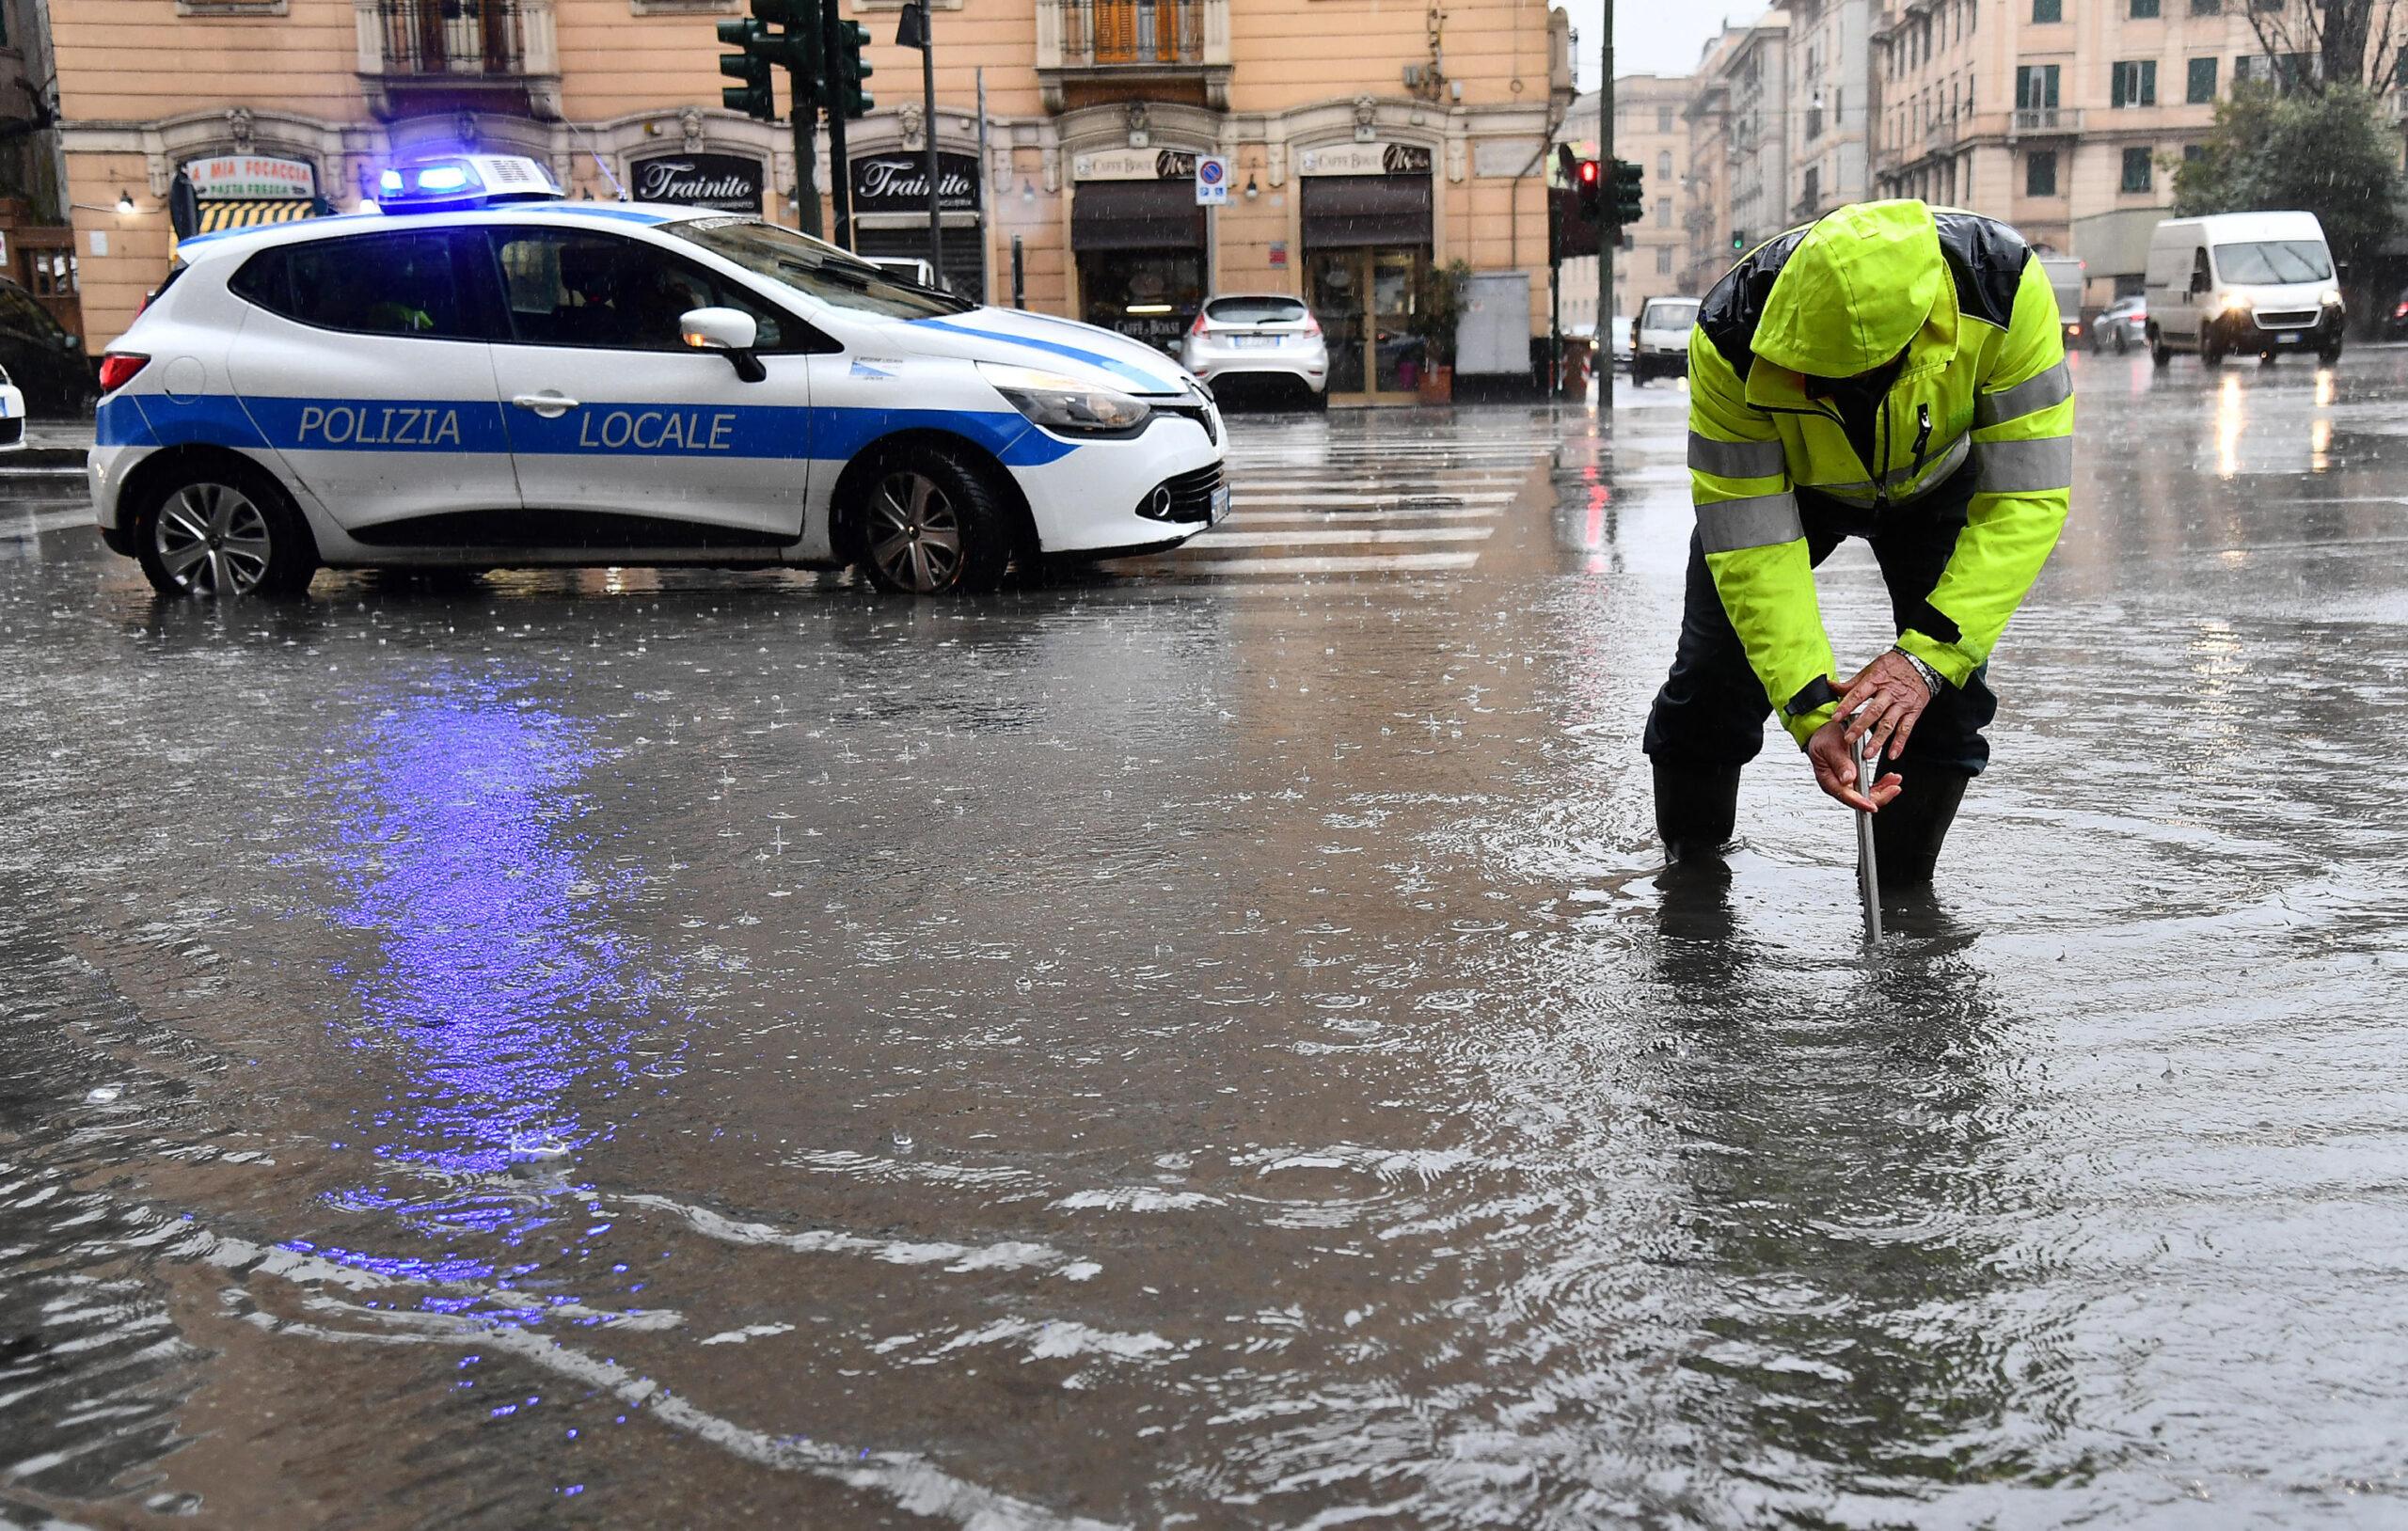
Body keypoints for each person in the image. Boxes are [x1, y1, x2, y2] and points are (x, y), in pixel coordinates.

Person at [1644, 198, 2072, 887]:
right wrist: (1812, 709)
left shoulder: (2004, 285)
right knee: (1713, 679)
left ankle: (1903, 896)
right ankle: (1691, 879)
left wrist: (1927, 658)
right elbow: (1752, 542)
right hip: (1798, 487)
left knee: (1947, 697)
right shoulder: (1730, 333)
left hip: (1939, 482)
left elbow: (2026, 495)